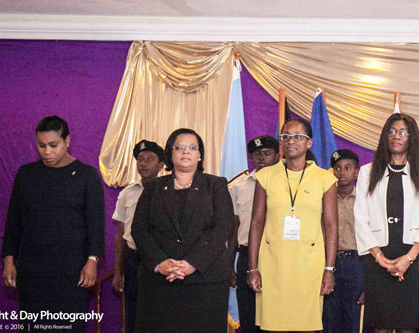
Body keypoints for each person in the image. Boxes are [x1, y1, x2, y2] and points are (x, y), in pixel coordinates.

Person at [2, 115, 105, 332]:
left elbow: (95, 225)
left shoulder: (86, 176)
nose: (47, 152)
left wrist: (92, 261)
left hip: (72, 271)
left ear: (67, 141)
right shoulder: (26, 174)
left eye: (53, 145)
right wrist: (9, 260)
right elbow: (13, 221)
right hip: (32, 270)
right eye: (41, 146)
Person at [131, 128, 235, 333]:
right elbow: (140, 230)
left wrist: (192, 263)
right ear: (170, 153)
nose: (185, 151)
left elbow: (222, 227)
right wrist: (160, 262)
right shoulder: (153, 187)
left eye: (192, 147)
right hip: (160, 282)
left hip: (206, 283)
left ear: (200, 155)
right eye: (179, 147)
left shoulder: (216, 185)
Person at [246, 119, 338, 332]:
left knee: (306, 326)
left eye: (298, 136)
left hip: (310, 265)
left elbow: (331, 226)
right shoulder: (265, 176)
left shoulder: (325, 179)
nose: (290, 141)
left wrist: (329, 270)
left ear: (309, 143)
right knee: (274, 326)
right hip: (273, 264)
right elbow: (257, 223)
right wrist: (252, 268)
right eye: (285, 136)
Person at [354, 113, 419, 333]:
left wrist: (409, 258)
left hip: (414, 257)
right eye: (391, 131)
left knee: (408, 325)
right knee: (380, 326)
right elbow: (361, 217)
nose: (396, 136)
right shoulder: (367, 172)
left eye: (403, 132)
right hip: (378, 256)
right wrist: (380, 258)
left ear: (412, 137)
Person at [228, 135, 280, 333]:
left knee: (275, 314)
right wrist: (229, 266)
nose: (261, 158)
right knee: (248, 313)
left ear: (277, 156)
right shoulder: (238, 187)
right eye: (257, 154)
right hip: (247, 255)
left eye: (267, 153)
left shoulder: (286, 184)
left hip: (276, 255)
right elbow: (234, 230)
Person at [112, 140, 165, 333]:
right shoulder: (128, 193)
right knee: (133, 311)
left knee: (159, 312)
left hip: (160, 260)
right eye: (140, 159)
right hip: (134, 259)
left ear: (161, 165)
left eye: (150, 159)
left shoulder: (168, 192)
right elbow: (120, 235)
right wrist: (118, 271)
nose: (143, 164)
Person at [323, 149, 365, 333]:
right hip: (327, 262)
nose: (342, 172)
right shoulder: (324, 198)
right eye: (337, 168)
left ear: (356, 172)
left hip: (355, 263)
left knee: (353, 317)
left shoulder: (365, 201)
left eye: (348, 168)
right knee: (328, 317)